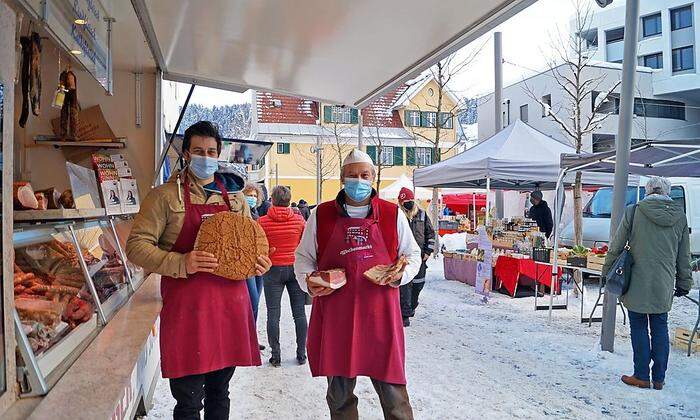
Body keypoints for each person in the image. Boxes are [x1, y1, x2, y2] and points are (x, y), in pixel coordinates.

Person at [125, 121, 272, 419]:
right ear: (187, 155)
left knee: (221, 393)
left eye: (211, 151)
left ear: (219, 154)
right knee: (189, 402)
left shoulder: (235, 199)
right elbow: (136, 246)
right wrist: (181, 262)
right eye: (198, 151)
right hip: (188, 312)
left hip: (230, 308)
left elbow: (251, 242)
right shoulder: (164, 197)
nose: (205, 157)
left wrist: (259, 261)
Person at [295, 149, 421, 420]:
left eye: (365, 175)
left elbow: (412, 255)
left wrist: (399, 275)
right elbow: (303, 258)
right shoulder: (320, 215)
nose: (358, 180)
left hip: (381, 317)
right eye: (352, 175)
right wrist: (309, 282)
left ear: (373, 177)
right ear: (342, 178)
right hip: (336, 317)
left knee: (395, 397)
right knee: (339, 398)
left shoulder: (392, 214)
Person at [602, 176, 692, 391]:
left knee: (639, 326)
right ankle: (659, 378)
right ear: (667, 192)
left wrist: (606, 271)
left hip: (637, 281)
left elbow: (616, 245)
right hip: (663, 281)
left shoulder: (634, 211)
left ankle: (641, 375)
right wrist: (684, 281)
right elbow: (683, 255)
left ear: (648, 190)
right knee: (660, 327)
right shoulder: (680, 216)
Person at [258, 186, 308, 367]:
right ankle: (301, 354)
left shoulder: (262, 222)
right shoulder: (299, 221)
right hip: (295, 269)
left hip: (272, 270)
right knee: (299, 314)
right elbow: (306, 245)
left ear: (271, 199)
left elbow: (258, 247)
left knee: (273, 313)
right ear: (289, 200)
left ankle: (276, 355)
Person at [397, 187, 435, 327]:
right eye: (405, 201)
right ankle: (404, 314)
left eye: (410, 201)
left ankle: (412, 306)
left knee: (418, 285)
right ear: (400, 203)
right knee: (404, 286)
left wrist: (427, 252)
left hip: (420, 258)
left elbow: (430, 235)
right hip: (403, 259)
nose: (408, 203)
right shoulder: (398, 216)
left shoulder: (422, 215)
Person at [243, 183, 265, 321]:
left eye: (254, 196)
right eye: (249, 195)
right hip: (246, 263)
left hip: (259, 262)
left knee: (256, 302)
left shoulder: (256, 214)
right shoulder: (240, 214)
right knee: (253, 300)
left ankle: (252, 335)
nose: (252, 198)